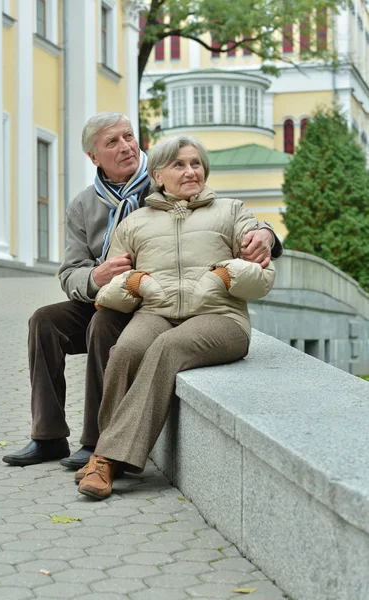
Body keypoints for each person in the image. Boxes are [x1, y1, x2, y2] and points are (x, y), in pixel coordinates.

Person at [2, 112, 282, 470]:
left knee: (103, 327)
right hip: (111, 292)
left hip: (154, 302)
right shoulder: (83, 205)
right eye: (113, 142)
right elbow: (70, 273)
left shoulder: (166, 178)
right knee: (44, 322)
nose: (126, 147)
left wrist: (267, 234)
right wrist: (96, 277)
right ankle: (49, 436)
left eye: (129, 137)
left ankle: (95, 442)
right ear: (94, 157)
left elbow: (219, 216)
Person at [76, 135, 276, 500]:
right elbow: (109, 289)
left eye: (196, 163)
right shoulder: (135, 223)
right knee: (125, 351)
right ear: (158, 175)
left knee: (167, 348)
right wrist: (138, 283)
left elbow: (262, 277)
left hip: (220, 317)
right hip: (156, 311)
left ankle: (105, 459)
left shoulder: (232, 211)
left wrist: (224, 276)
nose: (190, 171)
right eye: (179, 165)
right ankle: (109, 454)